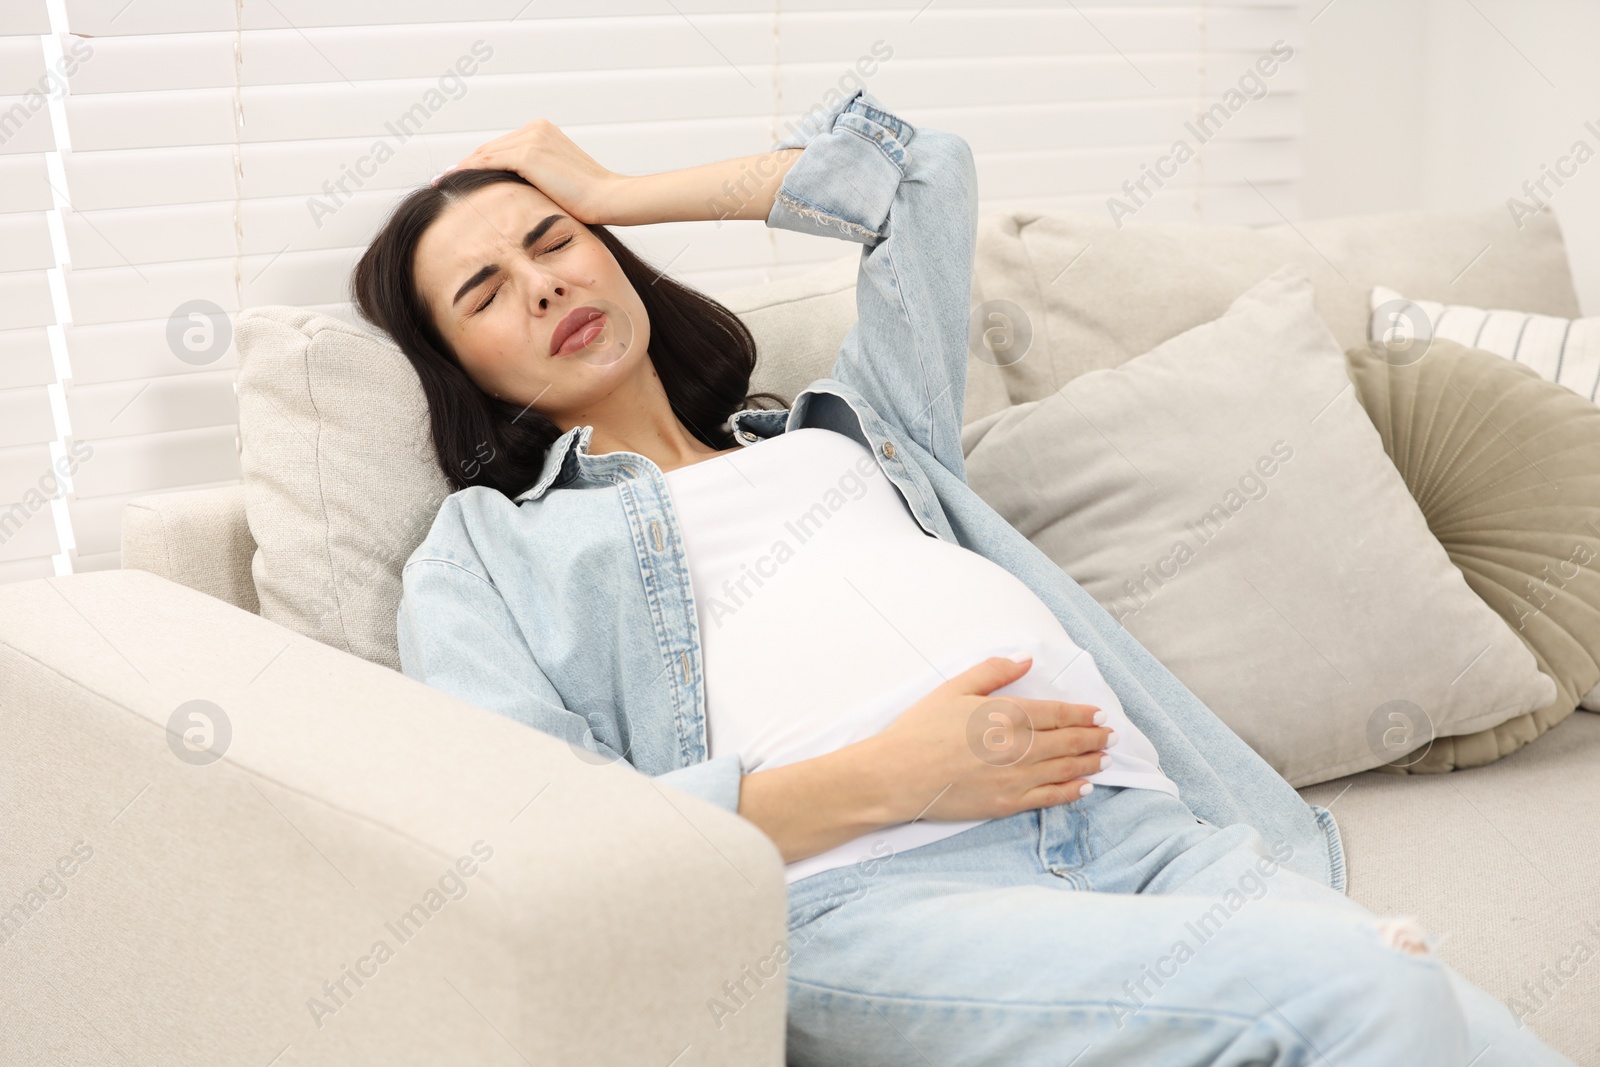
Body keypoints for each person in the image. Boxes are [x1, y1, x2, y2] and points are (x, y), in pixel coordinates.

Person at [350, 88, 1575, 1066]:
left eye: (554, 239)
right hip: (867, 892)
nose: (547, 281)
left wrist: (617, 188)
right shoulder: (485, 550)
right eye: (486, 291)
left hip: (1147, 837)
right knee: (1372, 989)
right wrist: (892, 776)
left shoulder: (851, 427)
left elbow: (919, 171)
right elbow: (547, 834)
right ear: (463, 367)